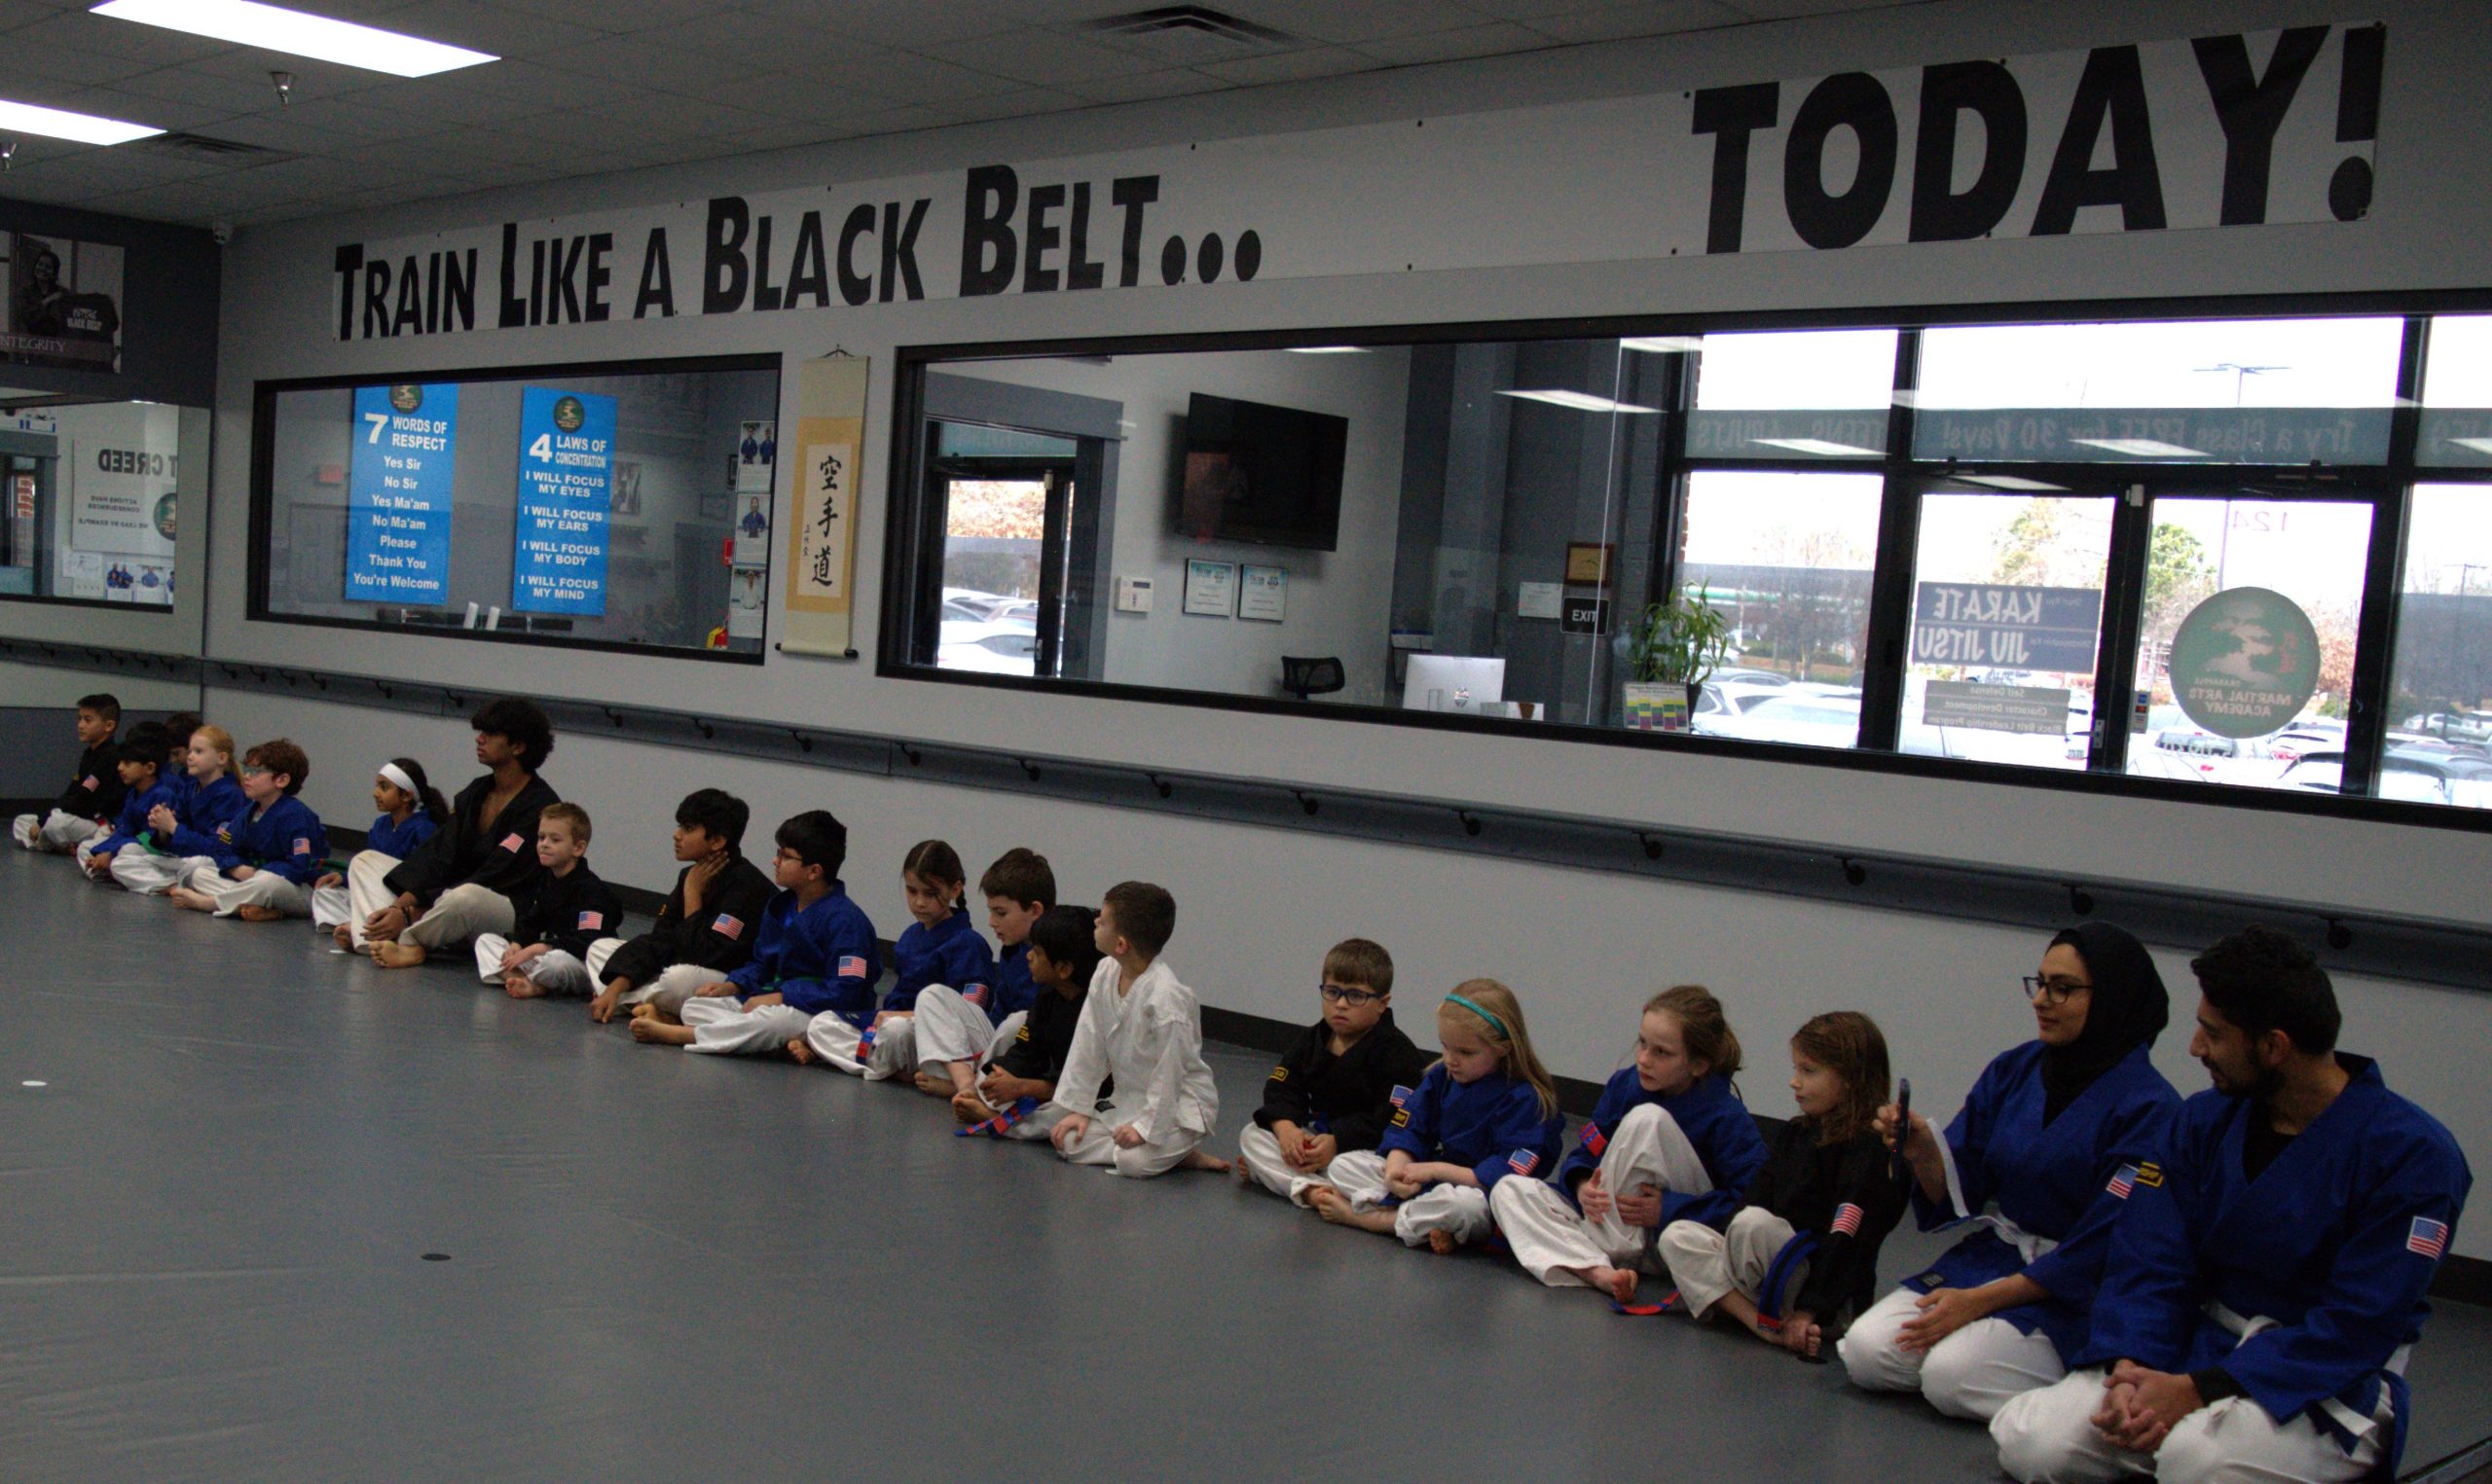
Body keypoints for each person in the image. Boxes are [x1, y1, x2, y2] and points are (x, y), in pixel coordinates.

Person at [1992, 926, 2473, 1484]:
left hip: (2324, 1378)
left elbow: (2359, 1323)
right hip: (2190, 1348)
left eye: (2212, 1033)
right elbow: (2150, 1259)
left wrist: (2199, 1391)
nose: (2195, 1048)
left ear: (2273, 1047)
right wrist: (2130, 1367)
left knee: (2195, 1460)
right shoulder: (2202, 1121)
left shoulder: (2413, 1155)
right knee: (2039, 1445)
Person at [1840, 923, 2183, 1421]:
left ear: (2112, 999)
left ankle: (2061, 1390)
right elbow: (1963, 1182)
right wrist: (1920, 1149)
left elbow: (2101, 1247)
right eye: (2039, 983)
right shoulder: (2015, 1070)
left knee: (1950, 1378)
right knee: (1867, 1353)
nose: (2042, 999)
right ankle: (1998, 1353)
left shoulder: (2150, 1108)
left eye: (2063, 988)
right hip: (1996, 1259)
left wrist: (1979, 1303)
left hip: (2075, 1290)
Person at [1657, 1011, 1909, 1360]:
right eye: (1796, 1069)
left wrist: (1811, 1308)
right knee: (1678, 1236)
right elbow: (1753, 1198)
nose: (1795, 1082)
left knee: (1754, 1224)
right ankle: (1761, 1324)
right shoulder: (1796, 1133)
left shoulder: (1868, 1148)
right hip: (1765, 1268)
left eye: (1809, 1071)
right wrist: (1720, 1246)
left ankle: (1791, 1317)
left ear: (1851, 1079)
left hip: (1826, 1294)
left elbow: (1849, 1240)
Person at [1495, 985, 1769, 1302]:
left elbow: (1750, 1202)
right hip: (1607, 1221)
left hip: (1669, 1238)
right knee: (1509, 1188)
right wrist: (1583, 1185)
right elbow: (1586, 1151)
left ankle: (1592, 1250)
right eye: (1642, 1043)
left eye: (1661, 1052)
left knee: (1648, 1119)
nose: (1644, 1059)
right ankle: (1599, 1272)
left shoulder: (1727, 1116)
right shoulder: (1626, 1085)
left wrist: (1666, 1208)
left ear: (1698, 1065)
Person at [1309, 979, 1564, 1250]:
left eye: (1465, 1052)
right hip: (1433, 1180)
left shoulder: (1527, 1100)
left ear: (1504, 1047)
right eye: (1445, 1047)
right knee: (1344, 1165)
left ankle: (1372, 1219)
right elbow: (1410, 1127)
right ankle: (1426, 1222)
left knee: (1462, 1207)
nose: (1451, 1059)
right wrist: (1397, 1167)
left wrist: (1435, 1170)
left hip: (1481, 1196)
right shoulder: (1443, 1076)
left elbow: (1507, 1177)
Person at [630, 811, 878, 1057]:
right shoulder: (781, 906)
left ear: (814, 871)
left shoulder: (848, 922)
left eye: (786, 856)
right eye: (777, 853)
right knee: (697, 1007)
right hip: (771, 999)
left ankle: (682, 1034)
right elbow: (762, 963)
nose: (775, 861)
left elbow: (848, 991)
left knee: (773, 1022)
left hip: (819, 1011)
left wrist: (782, 997)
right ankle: (773, 1043)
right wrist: (733, 984)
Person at [346, 699, 558, 959]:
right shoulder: (475, 792)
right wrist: (398, 906)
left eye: (490, 734)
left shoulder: (540, 806)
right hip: (447, 905)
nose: (479, 739)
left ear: (518, 746)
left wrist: (412, 912)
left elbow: (496, 874)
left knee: (465, 897)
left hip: (501, 910)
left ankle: (410, 944)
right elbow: (438, 854)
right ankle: (372, 936)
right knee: (365, 862)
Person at [1043, 881, 1226, 1177]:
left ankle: (1172, 1150)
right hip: (1131, 1100)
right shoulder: (1105, 972)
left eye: (1102, 921)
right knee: (1067, 1140)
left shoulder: (1167, 999)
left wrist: (1145, 1129)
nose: (1095, 922)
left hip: (1178, 1106)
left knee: (1133, 1163)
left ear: (1121, 945)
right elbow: (1089, 1042)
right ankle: (1169, 1155)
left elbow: (1170, 1074)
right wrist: (1080, 1107)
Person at [1234, 938, 1434, 1207]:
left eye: (1355, 996)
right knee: (1252, 1135)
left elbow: (1392, 1117)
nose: (1340, 1004)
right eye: (1332, 992)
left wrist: (1338, 1140)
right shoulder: (1312, 1039)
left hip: (1363, 1150)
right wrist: (1286, 1130)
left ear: (1382, 1003)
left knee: (1345, 1167)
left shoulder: (1398, 1053)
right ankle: (1315, 1192)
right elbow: (1282, 1086)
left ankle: (1286, 1178)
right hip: (1316, 1142)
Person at [792, 840, 992, 1078]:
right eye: (912, 890)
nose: (919, 902)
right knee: (822, 1023)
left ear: (955, 890)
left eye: (930, 893)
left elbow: (969, 1016)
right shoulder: (910, 937)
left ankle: (872, 1063)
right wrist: (885, 1018)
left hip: (937, 1037)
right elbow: (896, 1001)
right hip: (897, 1027)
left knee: (896, 1030)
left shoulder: (970, 944)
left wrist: (900, 1018)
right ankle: (887, 1065)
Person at [582, 788, 774, 1023]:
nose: (677, 835)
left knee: (677, 979)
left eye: (688, 829)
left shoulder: (747, 887)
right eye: (680, 826)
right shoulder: (689, 875)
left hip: (720, 979)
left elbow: (704, 957)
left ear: (717, 841)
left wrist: (692, 895)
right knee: (600, 947)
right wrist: (615, 986)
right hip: (680, 963)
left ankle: (641, 1003)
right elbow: (661, 939)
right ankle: (636, 1002)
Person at [910, 847, 1053, 1101]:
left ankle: (971, 1084)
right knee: (932, 996)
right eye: (991, 911)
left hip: (1030, 1056)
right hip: (996, 1042)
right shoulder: (1012, 949)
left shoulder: (1057, 957)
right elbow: (994, 1018)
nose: (991, 921)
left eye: (1001, 913)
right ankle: (965, 1082)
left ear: (1035, 910)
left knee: (1019, 1021)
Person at [951, 905, 1100, 1138]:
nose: (1028, 956)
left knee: (1061, 1118)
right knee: (998, 1084)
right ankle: (999, 1112)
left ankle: (994, 1120)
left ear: (1063, 969)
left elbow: (1082, 1086)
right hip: (1050, 1087)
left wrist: (1021, 1087)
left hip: (1093, 1097)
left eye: (1037, 952)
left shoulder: (1093, 1014)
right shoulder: (1048, 995)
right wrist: (999, 1075)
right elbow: (1027, 1051)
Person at [464, 804, 624, 995]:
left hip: (580, 963)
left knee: (555, 962)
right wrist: (516, 945)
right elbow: (532, 922)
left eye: (555, 839)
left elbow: (588, 942)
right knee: (486, 941)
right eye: (541, 837)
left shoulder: (592, 891)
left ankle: (534, 983)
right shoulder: (547, 880)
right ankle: (526, 982)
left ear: (578, 848)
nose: (544, 844)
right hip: (549, 955)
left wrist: (537, 948)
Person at [164, 739, 329, 922]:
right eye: (246, 770)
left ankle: (210, 903)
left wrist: (258, 871)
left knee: (267, 882)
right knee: (200, 872)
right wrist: (236, 868)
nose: (247, 776)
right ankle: (259, 908)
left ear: (281, 780)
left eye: (256, 772)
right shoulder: (249, 811)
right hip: (252, 881)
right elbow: (222, 847)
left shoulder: (297, 816)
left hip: (297, 889)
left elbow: (299, 867)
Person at [313, 760, 448, 938]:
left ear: (406, 796)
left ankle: (360, 927)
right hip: (375, 889)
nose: (375, 793)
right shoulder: (381, 824)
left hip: (399, 897)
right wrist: (344, 878)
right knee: (326, 892)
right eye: (377, 786)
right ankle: (356, 925)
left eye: (384, 787)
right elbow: (369, 872)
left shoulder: (424, 828)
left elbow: (421, 877)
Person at [109, 724, 246, 895]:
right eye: (189, 751)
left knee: (196, 866)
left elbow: (217, 847)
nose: (190, 757)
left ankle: (176, 884)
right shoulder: (190, 789)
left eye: (198, 751)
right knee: (125, 855)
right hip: (182, 858)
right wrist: (162, 829)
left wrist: (173, 827)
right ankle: (172, 887)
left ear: (221, 758)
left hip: (208, 861)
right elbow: (172, 836)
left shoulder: (230, 794)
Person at [12, 692, 124, 853]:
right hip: (77, 818)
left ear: (109, 726)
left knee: (55, 822)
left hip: (96, 823)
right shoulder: (89, 754)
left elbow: (82, 798)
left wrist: (45, 819)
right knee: (21, 821)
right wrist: (45, 816)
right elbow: (72, 791)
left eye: (87, 720)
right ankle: (55, 843)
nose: (80, 725)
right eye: (80, 719)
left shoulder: (110, 757)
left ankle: (58, 845)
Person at [76, 724, 172, 879]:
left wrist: (112, 852)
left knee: (127, 850)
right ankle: (108, 870)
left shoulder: (163, 794)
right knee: (86, 848)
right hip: (131, 843)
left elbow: (150, 837)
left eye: (127, 763)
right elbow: (125, 829)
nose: (120, 768)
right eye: (120, 763)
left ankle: (128, 874)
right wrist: (102, 850)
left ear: (149, 768)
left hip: (153, 849)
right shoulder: (133, 793)